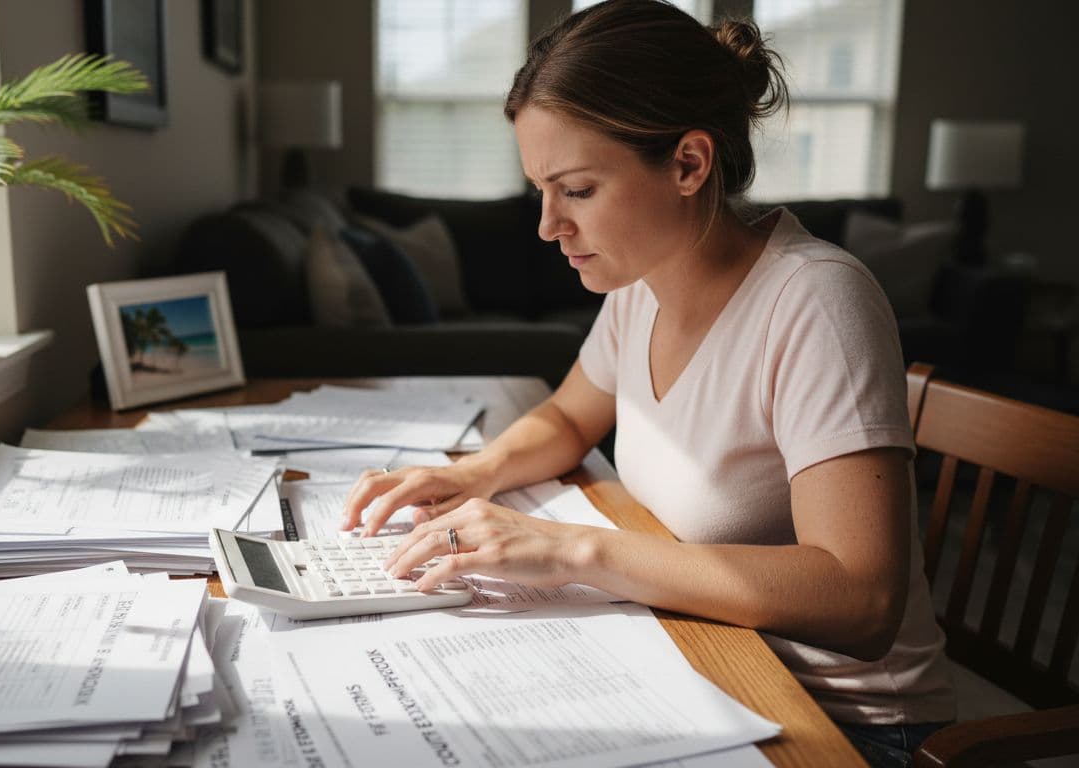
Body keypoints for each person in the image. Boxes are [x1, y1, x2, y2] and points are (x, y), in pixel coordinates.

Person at [339, 2, 955, 766]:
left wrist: (574, 550)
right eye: (541, 189)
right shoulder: (640, 284)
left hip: (846, 726)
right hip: (698, 661)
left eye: (578, 190)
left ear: (690, 165)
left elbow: (860, 599)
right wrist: (469, 475)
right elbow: (568, 418)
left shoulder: (817, 302)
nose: (547, 224)